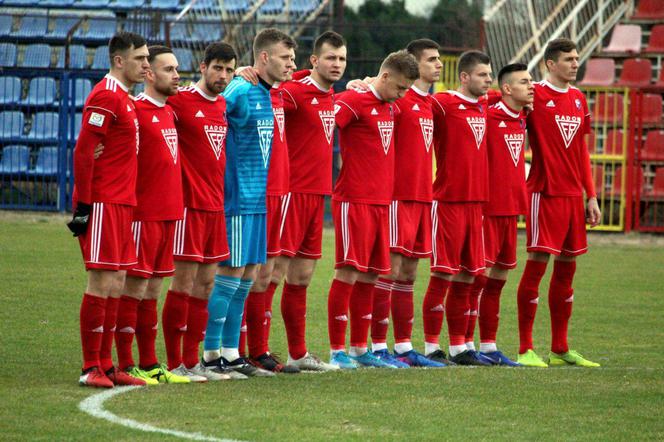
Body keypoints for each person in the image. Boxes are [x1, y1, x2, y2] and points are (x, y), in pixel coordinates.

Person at [201, 28, 296, 377]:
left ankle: (231, 352)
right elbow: (204, 105)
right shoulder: (240, 88)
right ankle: (211, 355)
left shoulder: (266, 91)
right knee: (230, 275)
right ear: (265, 57)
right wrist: (234, 78)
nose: (292, 65)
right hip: (237, 198)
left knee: (247, 279)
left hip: (257, 200)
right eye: (286, 59)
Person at [327, 50, 420, 369]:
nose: (403, 94)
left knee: (370, 273)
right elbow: (324, 125)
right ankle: (337, 350)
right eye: (401, 87)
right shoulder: (353, 101)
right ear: (384, 77)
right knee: (348, 271)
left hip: (382, 202)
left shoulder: (389, 106)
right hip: (354, 199)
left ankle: (358, 349)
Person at [107, 45, 191, 385]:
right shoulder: (136, 110)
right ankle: (126, 363)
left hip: (170, 213)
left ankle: (150, 362)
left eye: (177, 69)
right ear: (149, 74)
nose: (177, 75)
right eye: (169, 69)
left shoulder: (170, 111)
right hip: (143, 215)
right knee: (135, 289)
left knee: (153, 292)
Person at [516, 38, 601, 368]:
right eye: (568, 59)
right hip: (544, 193)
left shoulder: (579, 99)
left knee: (568, 270)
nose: (575, 63)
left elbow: (581, 150)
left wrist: (590, 195)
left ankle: (560, 347)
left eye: (577, 58)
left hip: (571, 198)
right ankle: (525, 349)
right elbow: (501, 98)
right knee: (537, 264)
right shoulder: (534, 95)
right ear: (550, 64)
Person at [71, 32, 150, 388]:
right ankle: (91, 366)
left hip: (123, 203)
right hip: (102, 203)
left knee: (117, 281)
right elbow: (84, 151)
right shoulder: (105, 95)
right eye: (140, 59)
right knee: (101, 280)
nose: (146, 65)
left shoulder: (127, 99)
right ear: (119, 60)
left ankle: (107, 363)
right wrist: (84, 208)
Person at [161, 42, 239, 381]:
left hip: (215, 208)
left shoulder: (223, 104)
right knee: (183, 283)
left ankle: (192, 362)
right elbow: (141, 109)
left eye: (229, 70)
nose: (223, 75)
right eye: (217, 68)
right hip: (188, 208)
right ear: (203, 66)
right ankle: (174, 360)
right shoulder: (179, 102)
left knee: (206, 284)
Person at [422, 50, 494, 366]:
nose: (488, 80)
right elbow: (410, 100)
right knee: (442, 276)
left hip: (475, 205)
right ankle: (429, 347)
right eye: (482, 75)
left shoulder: (486, 105)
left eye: (490, 75)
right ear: (464, 77)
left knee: (469, 276)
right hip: (448, 202)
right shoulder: (443, 103)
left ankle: (460, 348)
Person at [463, 63, 533, 366]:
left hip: (511, 210)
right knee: (478, 278)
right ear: (506, 89)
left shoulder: (523, 116)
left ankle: (489, 346)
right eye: (524, 82)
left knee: (498, 281)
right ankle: (464, 344)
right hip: (488, 209)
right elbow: (478, 99)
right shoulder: (488, 114)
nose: (531, 87)